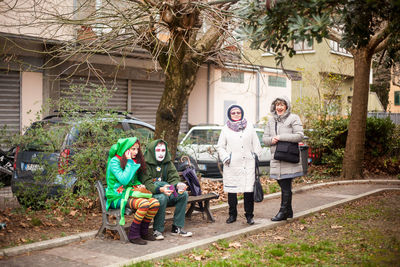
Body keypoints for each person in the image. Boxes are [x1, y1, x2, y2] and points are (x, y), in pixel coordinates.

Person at [105, 137, 160, 245]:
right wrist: (130, 162)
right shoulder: (114, 161)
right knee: (144, 204)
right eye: (133, 149)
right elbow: (124, 180)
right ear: (126, 149)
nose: (136, 152)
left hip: (129, 193)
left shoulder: (130, 161)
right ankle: (133, 234)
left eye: (137, 149)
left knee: (155, 203)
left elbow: (133, 180)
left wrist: (139, 184)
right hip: (116, 197)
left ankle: (143, 231)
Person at [217, 104, 262, 225]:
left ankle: (249, 216)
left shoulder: (249, 127)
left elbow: (256, 143)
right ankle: (232, 215)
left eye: (238, 112)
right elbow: (220, 147)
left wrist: (255, 155)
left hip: (248, 164)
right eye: (233, 113)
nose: (236, 114)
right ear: (229, 115)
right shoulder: (225, 129)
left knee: (248, 191)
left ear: (242, 113)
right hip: (232, 165)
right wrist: (226, 158)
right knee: (232, 192)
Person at [140, 139, 192, 240]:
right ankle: (158, 230)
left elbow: (174, 178)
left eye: (163, 151)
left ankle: (177, 227)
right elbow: (148, 184)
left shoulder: (167, 163)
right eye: (158, 150)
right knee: (162, 198)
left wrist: (178, 185)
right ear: (152, 151)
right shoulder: (145, 165)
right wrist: (161, 189)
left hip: (168, 191)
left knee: (183, 194)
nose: (161, 153)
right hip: (152, 194)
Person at [262, 96, 304, 221]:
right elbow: (265, 139)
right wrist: (272, 140)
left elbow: (299, 136)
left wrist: (280, 137)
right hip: (276, 157)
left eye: (282, 105)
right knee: (283, 185)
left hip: (288, 158)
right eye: (277, 105)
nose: (279, 107)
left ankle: (282, 212)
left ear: (286, 106)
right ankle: (289, 211)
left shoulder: (293, 118)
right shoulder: (270, 121)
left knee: (285, 186)